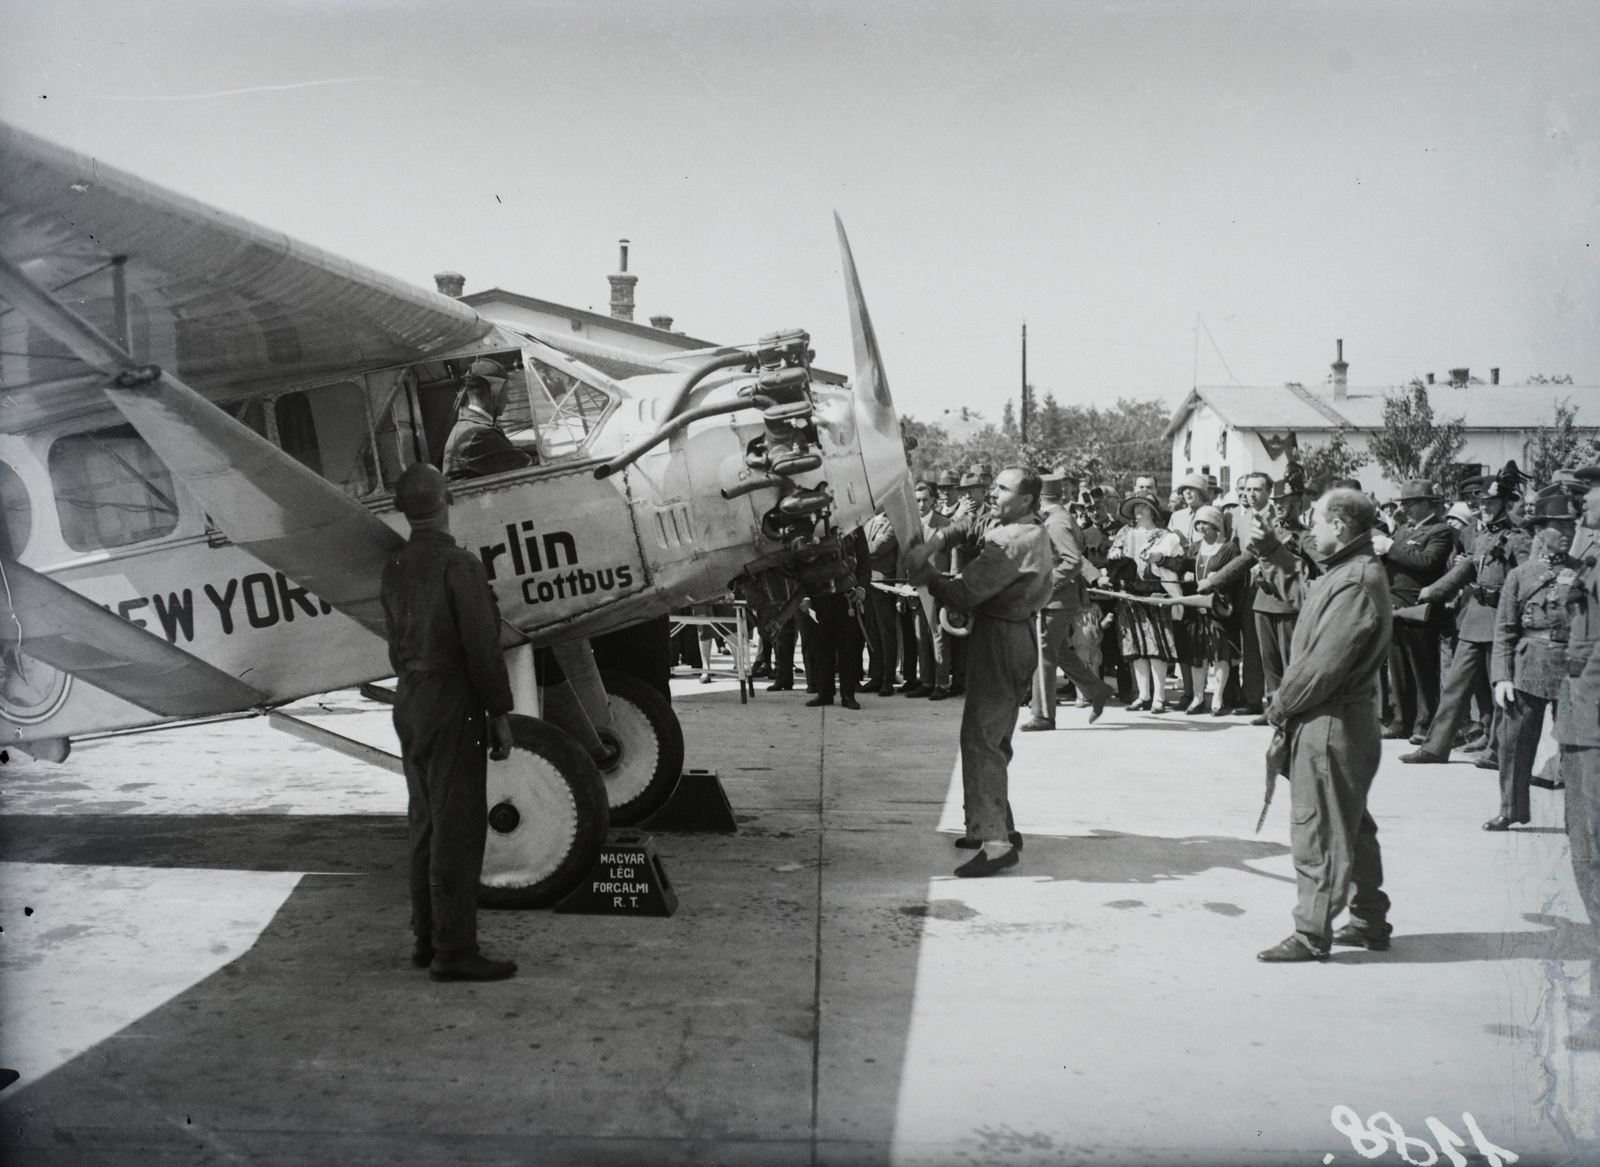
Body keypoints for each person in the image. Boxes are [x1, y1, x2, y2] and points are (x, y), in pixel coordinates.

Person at [381, 463, 518, 982]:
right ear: (448, 499)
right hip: (450, 697)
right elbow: (482, 648)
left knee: (425, 823)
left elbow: (393, 644)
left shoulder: (393, 567)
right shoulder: (459, 566)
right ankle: (454, 950)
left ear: (402, 510)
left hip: (410, 696)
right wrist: (499, 712)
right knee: (457, 827)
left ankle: (426, 939)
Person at [1257, 488, 1394, 963]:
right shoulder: (1347, 571)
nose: (1311, 529)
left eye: (1316, 520)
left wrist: (1280, 706)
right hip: (1337, 716)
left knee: (1317, 826)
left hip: (1332, 718)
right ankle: (1369, 919)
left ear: (1338, 525)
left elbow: (1323, 666)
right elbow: (1305, 594)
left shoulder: (1355, 581)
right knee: (1350, 823)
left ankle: (1312, 933)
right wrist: (1270, 550)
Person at [908, 467, 1053, 877]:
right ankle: (992, 824)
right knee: (993, 738)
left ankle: (996, 844)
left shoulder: (1012, 541)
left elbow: (963, 593)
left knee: (981, 741)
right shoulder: (1025, 528)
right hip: (1013, 635)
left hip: (1001, 639)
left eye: (1002, 489)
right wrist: (937, 540)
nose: (993, 493)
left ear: (1026, 499)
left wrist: (927, 574)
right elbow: (973, 524)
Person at [1402, 463, 1532, 766]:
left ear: (1504, 503)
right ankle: (1434, 748)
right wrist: (1433, 591)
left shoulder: (1518, 538)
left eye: (1490, 503)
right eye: (1481, 502)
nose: (1484, 508)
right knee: (1455, 687)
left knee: (1500, 689)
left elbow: (1527, 581)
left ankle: (1497, 751)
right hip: (1475, 618)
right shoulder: (1481, 536)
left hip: (1502, 620)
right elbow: (1466, 569)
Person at [1487, 493, 1584, 828]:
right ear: (1540, 530)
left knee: (1575, 748)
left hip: (1572, 667)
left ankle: (1579, 819)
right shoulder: (1521, 575)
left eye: (1571, 525)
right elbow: (1505, 629)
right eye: (1559, 526)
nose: (1568, 532)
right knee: (1515, 743)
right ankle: (1511, 810)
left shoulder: (1584, 572)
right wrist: (1502, 676)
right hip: (1529, 666)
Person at [1555, 473, 1600, 1050]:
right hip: (1580, 723)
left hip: (1594, 725)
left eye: (1593, 487)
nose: (1581, 499)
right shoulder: (1591, 556)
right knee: (1586, 858)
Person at [1024, 473, 1115, 730]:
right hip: (1062, 598)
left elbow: (1072, 560)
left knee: (1043, 652)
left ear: (1039, 497)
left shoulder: (1055, 523)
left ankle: (1043, 714)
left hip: (1055, 599)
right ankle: (1096, 690)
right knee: (1060, 651)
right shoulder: (1061, 518)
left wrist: (1046, 583)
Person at [1375, 480, 1455, 742]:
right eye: (1404, 504)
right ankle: (1402, 720)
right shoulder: (1404, 530)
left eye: (1410, 504)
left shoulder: (1440, 530)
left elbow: (1428, 562)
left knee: (1423, 669)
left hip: (1419, 607)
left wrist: (1391, 548)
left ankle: (1424, 724)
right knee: (1398, 669)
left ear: (1426, 503)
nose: (1405, 509)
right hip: (1395, 604)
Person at [1105, 494, 1185, 712]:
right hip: (1129, 595)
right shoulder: (1125, 532)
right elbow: (1112, 556)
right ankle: (1143, 694)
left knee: (1157, 647)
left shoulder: (1165, 535)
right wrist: (1115, 553)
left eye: (1144, 506)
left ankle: (1159, 697)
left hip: (1154, 595)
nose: (1139, 510)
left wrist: (1160, 558)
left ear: (1153, 511)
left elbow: (1178, 563)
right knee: (1136, 647)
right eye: (1136, 507)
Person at [1188, 506, 1247, 715]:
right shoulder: (1195, 547)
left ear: (1216, 525)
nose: (1201, 527)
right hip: (1197, 608)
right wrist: (1187, 574)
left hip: (1219, 607)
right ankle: (1197, 698)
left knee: (1221, 653)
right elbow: (1186, 568)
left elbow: (1237, 576)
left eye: (1205, 523)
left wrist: (1217, 580)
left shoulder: (1229, 548)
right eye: (1198, 523)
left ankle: (1218, 697)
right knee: (1198, 655)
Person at [806, 527, 870, 710]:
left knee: (847, 647)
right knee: (822, 646)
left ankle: (848, 694)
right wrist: (806, 595)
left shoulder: (853, 526)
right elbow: (805, 561)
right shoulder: (816, 526)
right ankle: (824, 693)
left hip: (847, 597)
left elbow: (864, 560)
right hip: (821, 595)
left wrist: (862, 588)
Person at [442, 359, 535, 481]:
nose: (508, 400)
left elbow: (503, 453)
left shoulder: (470, 427)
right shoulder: (480, 435)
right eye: (506, 391)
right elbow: (530, 467)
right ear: (495, 391)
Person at [911, 480, 951, 699]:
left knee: (938, 637)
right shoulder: (911, 524)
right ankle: (926, 681)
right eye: (917, 500)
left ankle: (942, 684)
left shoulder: (944, 523)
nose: (921, 504)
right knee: (922, 638)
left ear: (933, 500)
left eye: (925, 500)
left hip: (938, 587)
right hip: (915, 589)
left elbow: (954, 554)